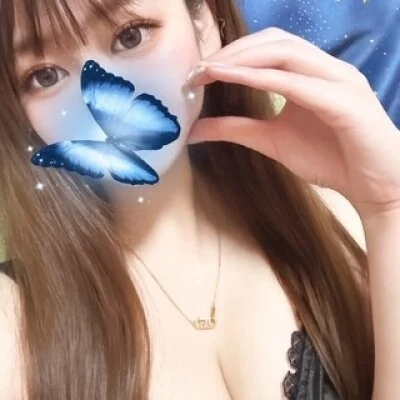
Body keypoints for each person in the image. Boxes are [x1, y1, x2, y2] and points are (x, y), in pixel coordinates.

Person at [0, 0, 399, 399]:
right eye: (45, 76)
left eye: (130, 36)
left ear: (204, 23)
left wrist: (388, 207)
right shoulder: (13, 321)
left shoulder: (340, 218)